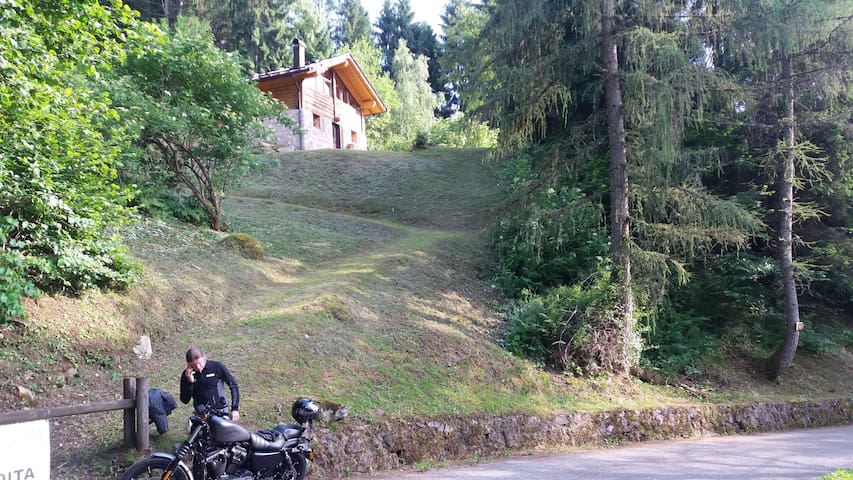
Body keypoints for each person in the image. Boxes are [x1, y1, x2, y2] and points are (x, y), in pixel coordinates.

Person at [179, 346, 240, 422]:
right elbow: (185, 400)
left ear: (204, 357)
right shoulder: (187, 375)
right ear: (188, 365)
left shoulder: (216, 367)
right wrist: (190, 382)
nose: (197, 367)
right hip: (202, 414)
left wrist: (235, 409)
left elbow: (233, 385)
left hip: (220, 411)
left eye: (199, 363)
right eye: (193, 366)